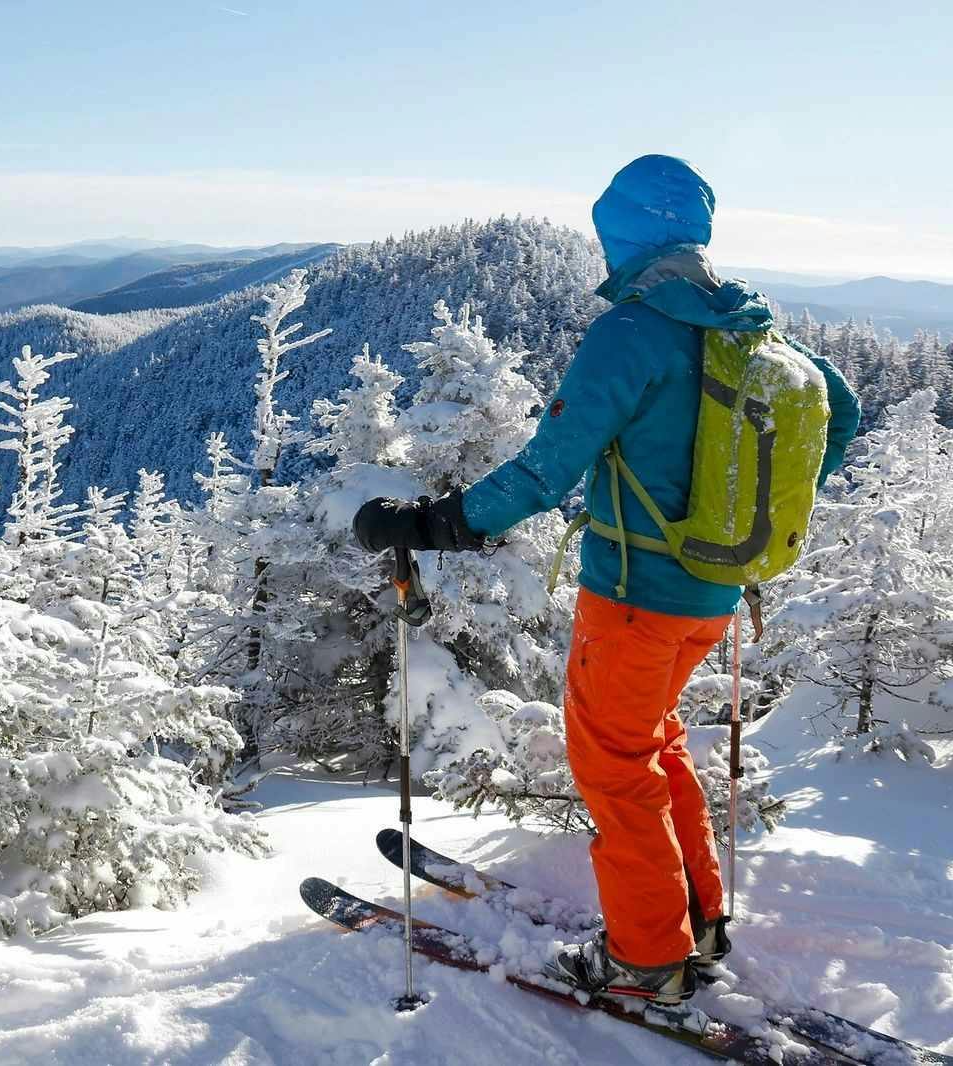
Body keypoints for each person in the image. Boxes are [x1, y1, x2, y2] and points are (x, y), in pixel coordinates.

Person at [352, 154, 861, 1004]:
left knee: (614, 766)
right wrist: (761, 515)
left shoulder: (632, 331)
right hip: (713, 595)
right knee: (653, 746)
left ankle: (647, 960)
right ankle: (693, 914)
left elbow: (546, 470)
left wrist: (429, 525)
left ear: (617, 236)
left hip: (635, 601)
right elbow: (837, 410)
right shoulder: (746, 327)